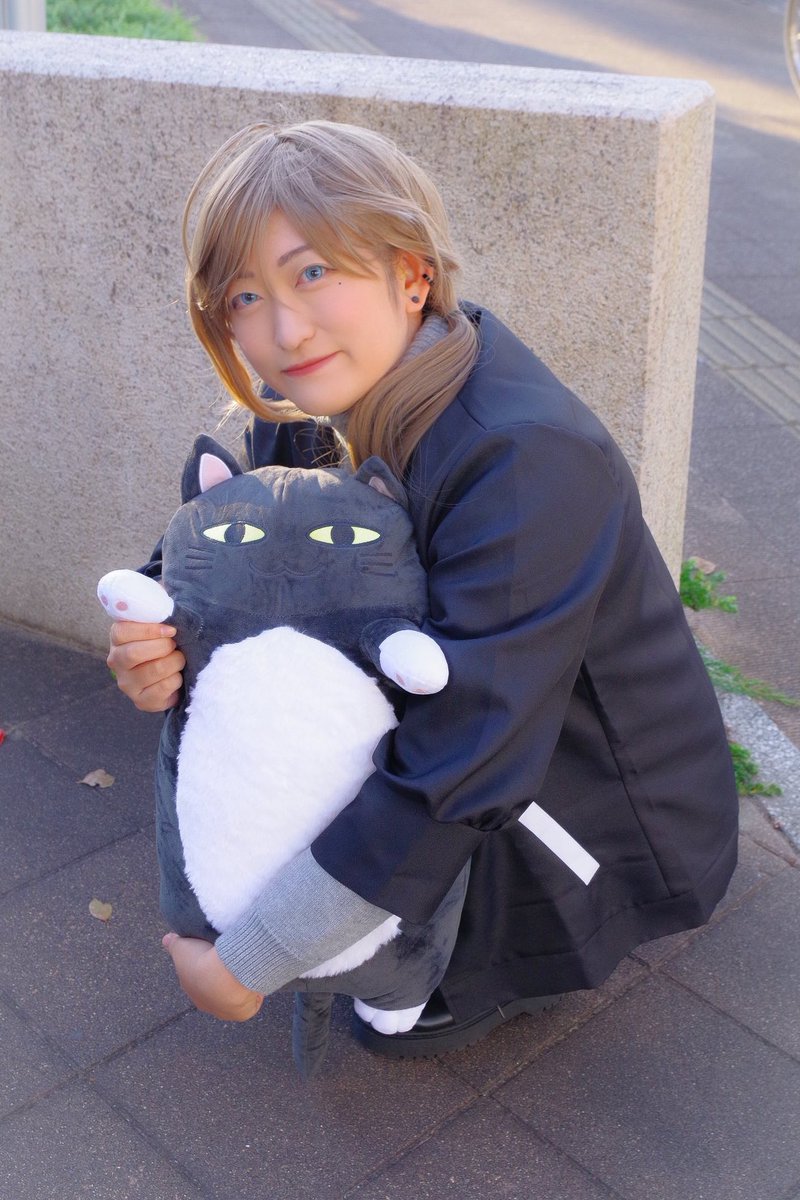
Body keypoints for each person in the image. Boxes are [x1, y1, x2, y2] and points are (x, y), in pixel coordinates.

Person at [107, 119, 739, 1057]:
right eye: (246, 295)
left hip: (586, 817)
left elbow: (467, 756)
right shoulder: (314, 406)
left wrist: (251, 961)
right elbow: (233, 561)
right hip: (484, 747)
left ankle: (480, 967)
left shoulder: (525, 458)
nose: (285, 329)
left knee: (401, 1016)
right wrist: (154, 636)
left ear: (411, 274)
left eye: (314, 272)